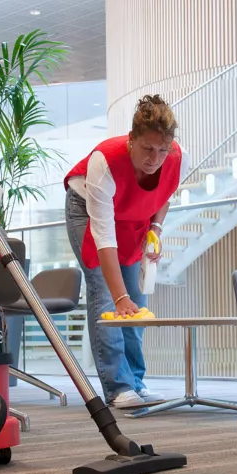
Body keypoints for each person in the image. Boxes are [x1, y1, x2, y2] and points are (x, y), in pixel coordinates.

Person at [64, 95, 190, 409]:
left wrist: (155, 230)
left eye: (162, 150)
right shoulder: (104, 161)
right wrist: (119, 298)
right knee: (108, 296)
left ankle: (136, 381)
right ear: (131, 140)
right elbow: (104, 237)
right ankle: (118, 387)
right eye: (147, 148)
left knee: (137, 298)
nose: (155, 158)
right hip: (89, 211)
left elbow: (164, 194)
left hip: (133, 215)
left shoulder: (178, 157)